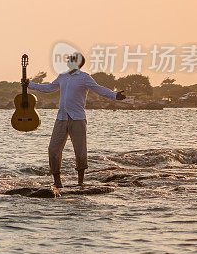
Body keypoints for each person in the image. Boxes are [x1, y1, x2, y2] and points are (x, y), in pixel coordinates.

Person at [22, 52, 125, 188]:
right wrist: (30, 85)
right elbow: (49, 88)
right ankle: (57, 181)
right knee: (53, 150)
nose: (68, 61)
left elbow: (98, 89)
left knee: (80, 151)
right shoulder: (63, 76)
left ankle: (80, 182)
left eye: (71, 59)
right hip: (61, 117)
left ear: (78, 63)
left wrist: (114, 95)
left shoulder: (84, 77)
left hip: (77, 118)